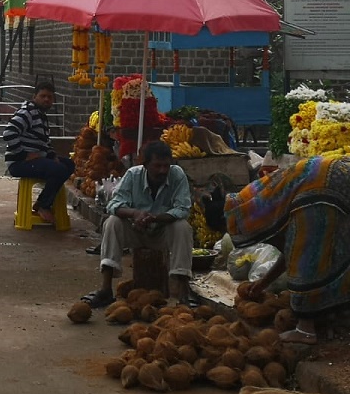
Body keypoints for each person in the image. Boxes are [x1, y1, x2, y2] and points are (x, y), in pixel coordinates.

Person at [222, 155, 350, 345]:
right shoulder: (272, 193)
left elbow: (303, 260)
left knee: (311, 259)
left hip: (329, 186)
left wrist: (301, 308)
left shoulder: (305, 205)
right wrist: (263, 283)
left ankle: (306, 330)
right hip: (337, 175)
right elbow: (289, 252)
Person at [82, 140, 194, 308]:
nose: (162, 170)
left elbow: (183, 209)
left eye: (166, 166)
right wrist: (135, 214)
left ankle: (184, 291)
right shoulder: (133, 175)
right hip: (135, 231)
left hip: (161, 232)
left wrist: (154, 218)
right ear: (145, 165)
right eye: (157, 166)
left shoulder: (177, 175)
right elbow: (113, 205)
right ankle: (105, 289)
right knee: (112, 223)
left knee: (183, 227)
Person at [2, 81, 73, 224]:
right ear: (35, 97)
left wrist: (52, 156)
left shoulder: (41, 116)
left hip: (37, 159)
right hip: (19, 163)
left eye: (50, 97)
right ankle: (43, 206)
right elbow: (9, 133)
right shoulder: (27, 112)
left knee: (69, 165)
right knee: (58, 170)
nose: (46, 99)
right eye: (43, 96)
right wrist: (23, 155)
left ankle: (43, 202)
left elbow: (44, 144)